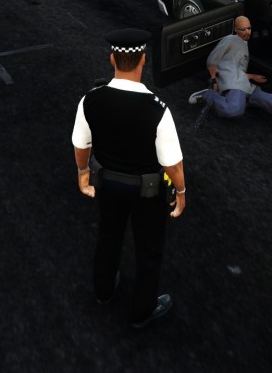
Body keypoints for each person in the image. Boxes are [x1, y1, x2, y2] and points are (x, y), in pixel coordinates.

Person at [71, 28, 187, 329]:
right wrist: (181, 192)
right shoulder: (157, 109)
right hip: (147, 193)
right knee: (148, 250)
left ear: (112, 59)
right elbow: (172, 164)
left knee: (108, 237)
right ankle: (141, 312)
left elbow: (81, 145)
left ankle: (104, 291)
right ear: (143, 60)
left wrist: (83, 174)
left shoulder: (90, 100)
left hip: (107, 185)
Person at [189, 16, 272, 125]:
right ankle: (208, 95)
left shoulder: (244, 45)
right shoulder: (229, 40)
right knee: (233, 109)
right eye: (243, 29)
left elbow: (238, 70)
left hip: (242, 83)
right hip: (232, 83)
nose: (247, 32)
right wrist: (214, 81)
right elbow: (212, 60)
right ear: (236, 29)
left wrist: (252, 76)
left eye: (249, 28)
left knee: (271, 100)